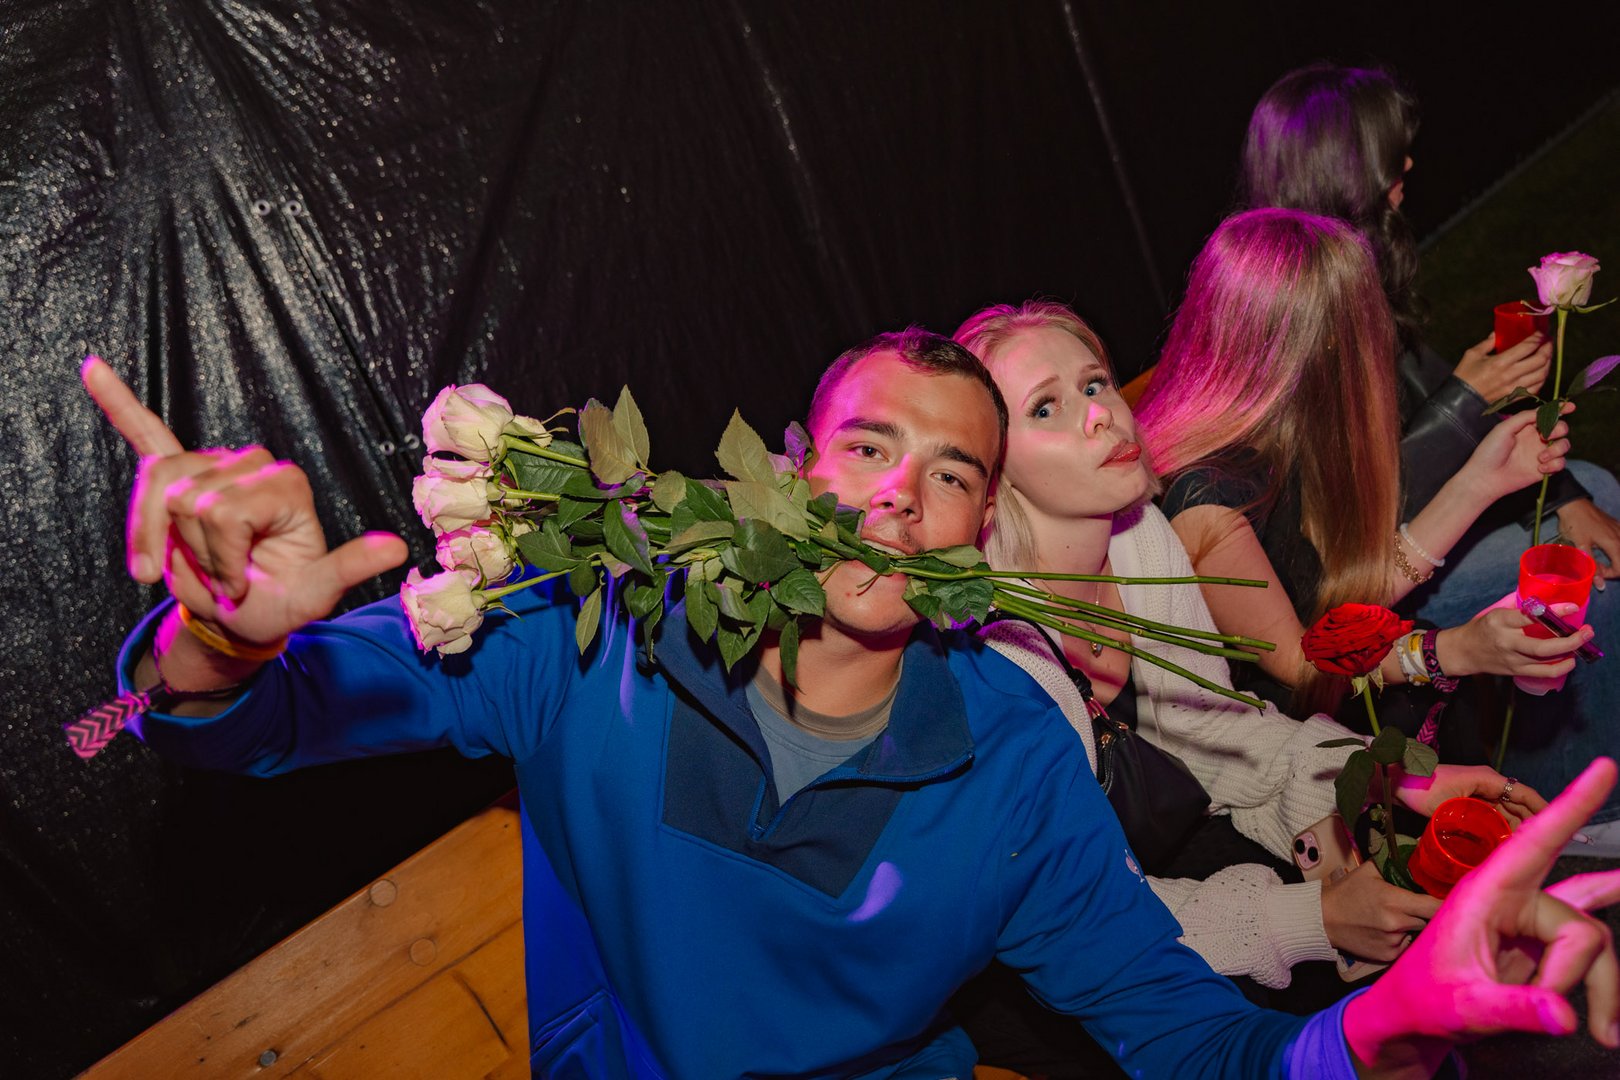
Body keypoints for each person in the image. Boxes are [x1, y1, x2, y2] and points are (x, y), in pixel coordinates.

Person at [86, 335, 1620, 1078]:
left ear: (975, 539)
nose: (900, 495)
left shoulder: (1013, 764)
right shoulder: (594, 634)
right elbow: (266, 723)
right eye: (870, 447)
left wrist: (1387, 1019)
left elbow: (1190, 1044)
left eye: (952, 473)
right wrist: (217, 645)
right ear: (794, 471)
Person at [1237, 64, 1620, 845]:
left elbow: (1426, 401)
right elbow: (1349, 514)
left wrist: (1567, 494)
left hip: (1421, 523)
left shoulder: (1364, 262)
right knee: (1588, 592)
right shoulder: (1288, 311)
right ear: (1344, 170)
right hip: (1369, 573)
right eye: (1391, 152)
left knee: (1601, 492)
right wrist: (1468, 398)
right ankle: (1575, 817)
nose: (1408, 164)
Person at [1137, 210, 1599, 795]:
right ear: (1324, 341)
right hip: (1291, 768)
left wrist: (1481, 481)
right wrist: (1452, 650)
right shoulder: (1206, 500)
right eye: (1367, 315)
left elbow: (1343, 602)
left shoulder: (1283, 432)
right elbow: (1305, 670)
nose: (1381, 334)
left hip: (1348, 710)